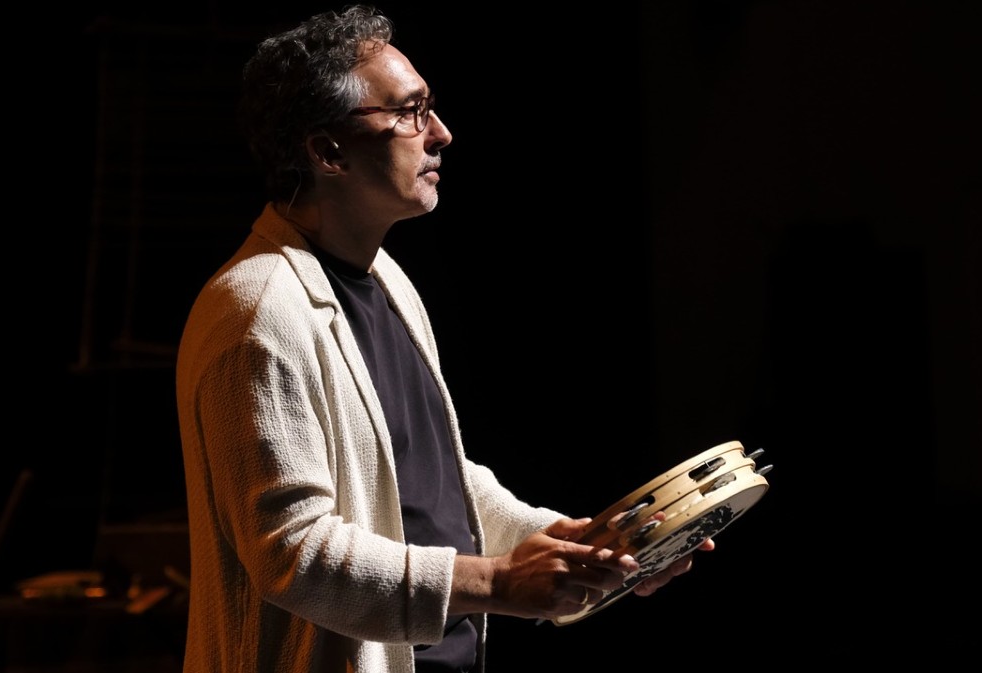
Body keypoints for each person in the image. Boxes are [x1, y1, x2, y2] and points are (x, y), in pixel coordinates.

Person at [174, 5, 715, 672]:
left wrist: (575, 545)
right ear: (328, 151)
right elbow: (293, 555)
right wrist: (498, 582)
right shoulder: (256, 314)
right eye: (410, 112)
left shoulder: (386, 279)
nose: (441, 133)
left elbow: (431, 486)